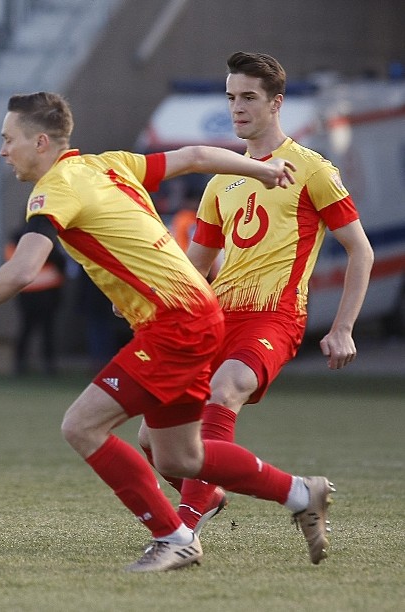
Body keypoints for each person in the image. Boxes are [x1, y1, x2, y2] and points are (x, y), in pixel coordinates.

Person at [0, 91, 334, 572]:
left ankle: (174, 536)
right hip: (193, 314)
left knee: (81, 426)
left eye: (7, 139)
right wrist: (261, 170)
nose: (2, 150)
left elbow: (23, 270)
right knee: (181, 458)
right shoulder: (109, 164)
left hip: (176, 322)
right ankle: (300, 492)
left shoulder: (54, 188)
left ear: (40, 141)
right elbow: (197, 156)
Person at [138, 52, 374, 535]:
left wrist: (344, 327)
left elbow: (361, 251)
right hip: (215, 318)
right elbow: (196, 267)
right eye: (231, 98)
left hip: (274, 317)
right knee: (151, 435)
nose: (237, 108)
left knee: (224, 391)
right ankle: (218, 491)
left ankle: (184, 528)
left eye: (248, 97)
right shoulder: (221, 180)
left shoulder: (313, 170)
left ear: (276, 103)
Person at [5, 223, 66, 375]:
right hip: (47, 290)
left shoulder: (17, 237)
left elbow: (12, 263)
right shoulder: (49, 235)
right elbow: (61, 261)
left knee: (28, 329)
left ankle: (20, 364)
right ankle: (48, 366)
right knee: (46, 330)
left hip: (27, 291)